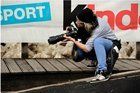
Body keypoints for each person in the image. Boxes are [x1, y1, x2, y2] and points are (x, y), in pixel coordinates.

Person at [64, 8, 120, 81]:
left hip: (112, 45)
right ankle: (97, 60)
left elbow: (87, 49)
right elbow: (82, 37)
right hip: (99, 46)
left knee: (97, 41)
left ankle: (103, 70)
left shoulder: (99, 28)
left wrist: (73, 40)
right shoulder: (91, 22)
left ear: (84, 22)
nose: (76, 22)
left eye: (78, 21)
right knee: (78, 55)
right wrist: (70, 35)